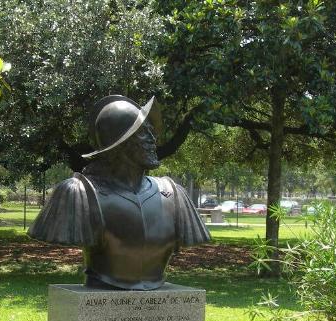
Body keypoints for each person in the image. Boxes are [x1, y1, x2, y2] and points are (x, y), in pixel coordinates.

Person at [28, 95, 210, 290]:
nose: (152, 140)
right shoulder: (78, 193)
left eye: (151, 132)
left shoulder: (175, 195)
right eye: (143, 133)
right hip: (102, 285)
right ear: (120, 144)